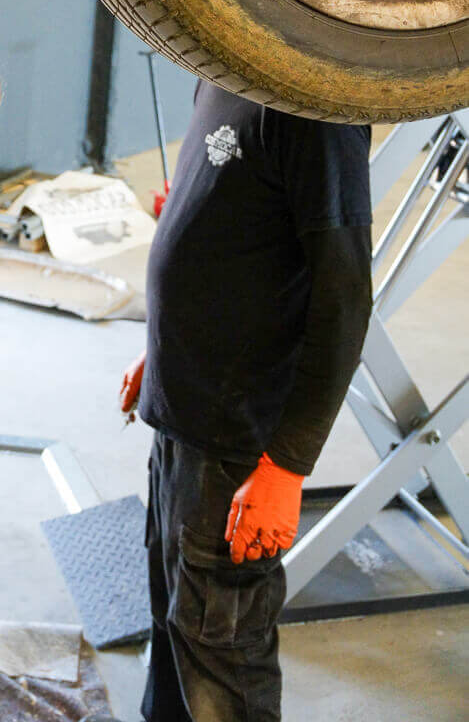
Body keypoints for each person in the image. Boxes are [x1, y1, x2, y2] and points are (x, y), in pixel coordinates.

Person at [119, 79, 372, 722]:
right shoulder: (221, 70)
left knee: (222, 660)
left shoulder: (316, 109)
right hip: (181, 415)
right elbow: (222, 222)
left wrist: (286, 467)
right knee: (174, 631)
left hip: (236, 446)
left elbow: (344, 301)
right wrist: (161, 350)